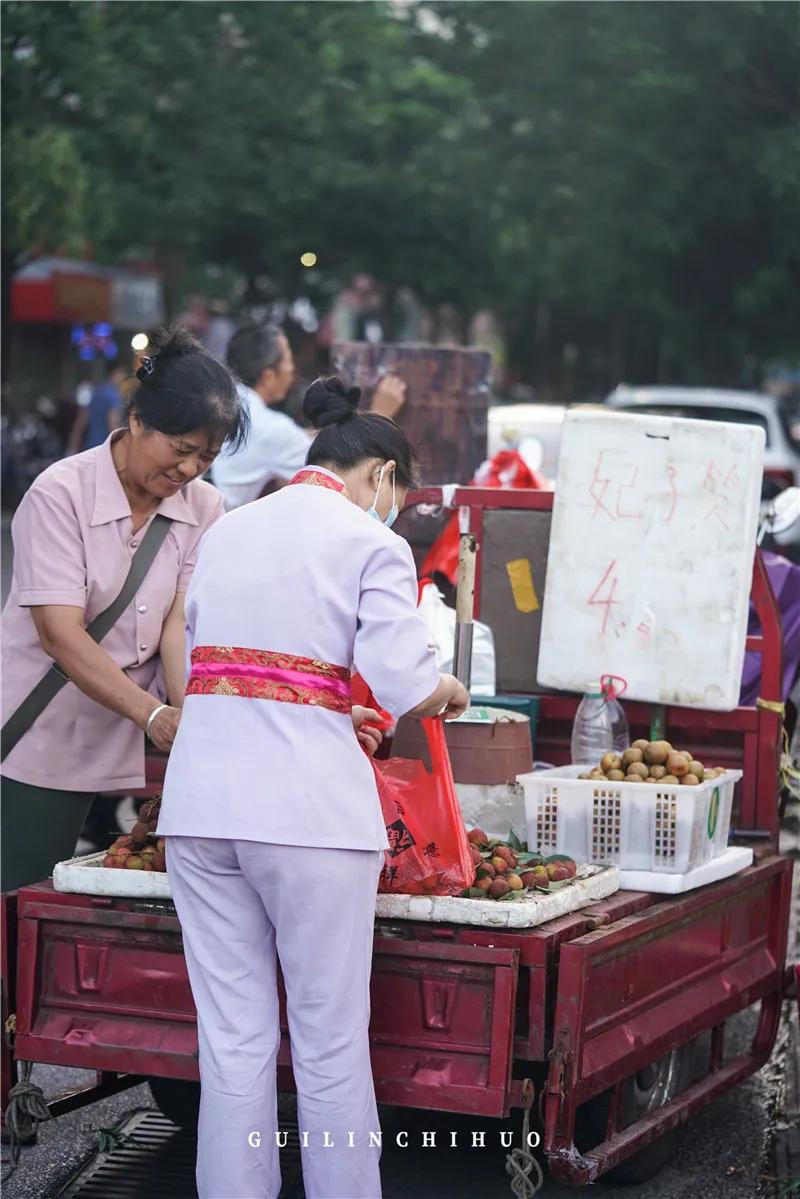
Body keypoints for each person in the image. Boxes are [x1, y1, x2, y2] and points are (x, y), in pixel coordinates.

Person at [157, 376, 469, 1199]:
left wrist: (331, 706)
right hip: (309, 819)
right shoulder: (371, 541)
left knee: (232, 1042)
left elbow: (225, 665)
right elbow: (405, 682)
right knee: (329, 1043)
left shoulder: (228, 528)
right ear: (381, 478)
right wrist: (449, 690)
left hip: (199, 808)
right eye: (394, 497)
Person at [1, 326, 249, 893]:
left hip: (137, 725)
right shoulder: (59, 493)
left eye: (206, 458)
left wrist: (189, 719)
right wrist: (153, 716)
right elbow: (60, 635)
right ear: (136, 421)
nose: (189, 471)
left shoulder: (206, 505)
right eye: (181, 450)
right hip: (45, 729)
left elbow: (178, 624)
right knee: (22, 896)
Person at [212, 323, 408, 510]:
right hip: (214, 521)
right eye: (288, 360)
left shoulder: (226, 402)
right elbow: (337, 465)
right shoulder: (273, 428)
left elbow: (299, 441)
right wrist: (379, 413)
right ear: (268, 377)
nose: (292, 370)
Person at [67, 363, 126, 454]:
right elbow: (112, 422)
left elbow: (80, 422)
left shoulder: (95, 393)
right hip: (105, 448)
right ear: (115, 373)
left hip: (91, 446)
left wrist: (72, 447)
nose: (123, 377)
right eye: (122, 374)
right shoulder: (112, 395)